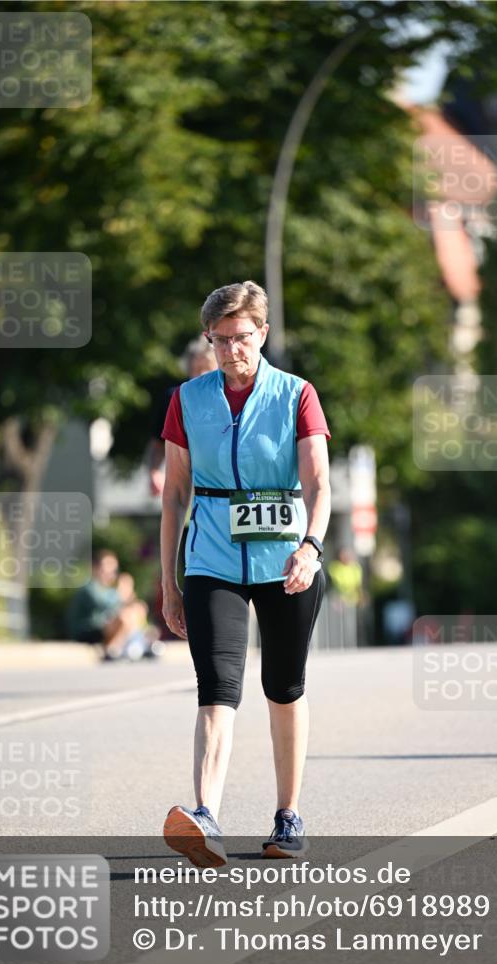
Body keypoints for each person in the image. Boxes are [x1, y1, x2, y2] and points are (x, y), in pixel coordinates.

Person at [160, 280, 331, 868]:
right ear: (208, 339)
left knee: (283, 687)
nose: (233, 350)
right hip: (211, 561)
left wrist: (310, 546)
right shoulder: (188, 400)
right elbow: (174, 494)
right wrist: (170, 582)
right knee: (216, 688)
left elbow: (318, 485)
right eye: (221, 340)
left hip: (286, 562)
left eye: (244, 338)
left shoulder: (297, 395)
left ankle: (288, 814)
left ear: (263, 334)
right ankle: (206, 816)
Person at [148, 336, 218, 497]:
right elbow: (158, 443)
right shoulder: (174, 398)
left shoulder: (230, 398)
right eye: (196, 369)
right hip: (185, 484)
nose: (201, 374)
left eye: (207, 368)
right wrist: (154, 472)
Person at [66, 549, 161, 661]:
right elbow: (107, 605)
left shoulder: (108, 590)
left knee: (137, 610)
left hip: (104, 628)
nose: (111, 573)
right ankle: (113, 649)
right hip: (88, 630)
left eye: (114, 570)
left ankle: (139, 643)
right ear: (95, 568)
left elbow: (119, 604)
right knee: (124, 617)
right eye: (107, 569)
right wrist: (123, 594)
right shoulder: (89, 588)